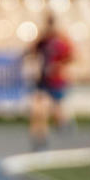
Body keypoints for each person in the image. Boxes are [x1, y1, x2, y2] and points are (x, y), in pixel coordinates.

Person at [29, 13, 74, 151]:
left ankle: (63, 122)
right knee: (39, 110)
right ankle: (40, 138)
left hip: (56, 81)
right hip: (43, 80)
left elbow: (71, 56)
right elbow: (33, 51)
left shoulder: (61, 40)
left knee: (56, 109)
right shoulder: (43, 40)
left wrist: (58, 66)